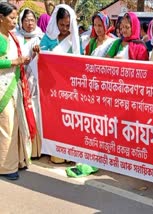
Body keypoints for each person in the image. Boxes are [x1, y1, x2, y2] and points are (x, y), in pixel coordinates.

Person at [35, 4, 82, 163]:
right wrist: (37, 53)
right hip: (50, 88)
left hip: (67, 87)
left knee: (68, 120)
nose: (64, 28)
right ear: (56, 22)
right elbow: (40, 60)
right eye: (61, 24)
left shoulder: (75, 40)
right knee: (53, 120)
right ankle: (55, 152)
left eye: (68, 25)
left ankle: (70, 153)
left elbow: (78, 64)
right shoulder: (48, 38)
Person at [0, 2, 36, 180]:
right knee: (7, 126)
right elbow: (7, 61)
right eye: (12, 18)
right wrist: (14, 62)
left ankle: (17, 160)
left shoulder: (12, 37)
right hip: (3, 88)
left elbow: (19, 59)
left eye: (15, 18)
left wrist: (27, 58)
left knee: (15, 125)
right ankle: (6, 167)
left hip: (14, 85)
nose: (15, 22)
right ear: (1, 18)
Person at [15, 8, 44, 158]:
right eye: (26, 20)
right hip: (18, 78)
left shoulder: (40, 37)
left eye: (32, 20)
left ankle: (35, 150)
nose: (30, 23)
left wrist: (39, 51)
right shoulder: (16, 36)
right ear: (21, 21)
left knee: (34, 112)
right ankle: (22, 150)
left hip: (34, 81)